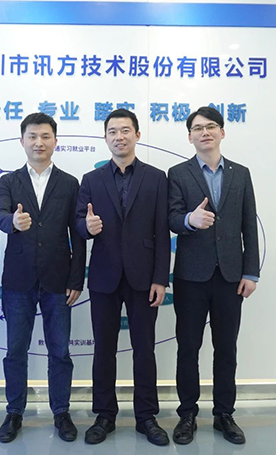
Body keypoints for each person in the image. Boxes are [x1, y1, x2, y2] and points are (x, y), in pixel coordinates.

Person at [75, 109, 170, 446]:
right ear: (105, 138)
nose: (119, 136)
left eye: (125, 130)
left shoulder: (156, 178)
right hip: (104, 276)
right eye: (113, 131)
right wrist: (86, 227)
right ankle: (105, 415)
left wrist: (161, 278)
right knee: (104, 349)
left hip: (144, 277)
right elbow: (78, 225)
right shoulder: (91, 179)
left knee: (145, 349)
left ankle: (146, 416)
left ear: (137, 135)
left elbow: (162, 231)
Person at [168, 106, 259, 445]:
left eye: (210, 127)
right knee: (188, 347)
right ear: (189, 136)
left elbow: (249, 225)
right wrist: (189, 221)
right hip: (191, 276)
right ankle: (187, 414)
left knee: (226, 348)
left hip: (230, 276)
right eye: (197, 128)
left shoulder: (241, 174)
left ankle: (224, 414)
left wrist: (251, 272)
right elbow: (171, 218)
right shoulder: (178, 173)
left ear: (222, 132)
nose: (204, 132)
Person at [0, 113, 86, 443]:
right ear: (22, 141)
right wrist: (12, 223)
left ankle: (61, 411)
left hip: (58, 280)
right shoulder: (8, 181)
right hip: (18, 280)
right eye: (32, 136)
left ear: (55, 141)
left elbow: (78, 234)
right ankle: (14, 412)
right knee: (15, 350)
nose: (39, 142)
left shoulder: (70, 183)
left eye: (45, 136)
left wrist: (76, 279)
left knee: (60, 351)